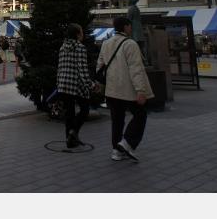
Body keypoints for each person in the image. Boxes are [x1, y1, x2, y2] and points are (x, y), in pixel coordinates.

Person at [98, 16, 154, 163]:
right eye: (130, 26)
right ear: (126, 27)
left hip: (112, 89)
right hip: (128, 89)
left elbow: (100, 66)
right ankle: (127, 142)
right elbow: (136, 69)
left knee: (117, 120)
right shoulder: (130, 44)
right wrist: (141, 90)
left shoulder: (106, 43)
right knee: (140, 115)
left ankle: (116, 151)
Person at [56, 23, 96, 149]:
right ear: (77, 34)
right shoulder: (80, 47)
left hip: (63, 84)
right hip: (75, 85)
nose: (83, 34)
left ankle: (70, 141)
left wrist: (58, 83)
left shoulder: (63, 47)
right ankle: (74, 132)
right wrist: (91, 84)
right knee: (84, 110)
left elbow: (60, 67)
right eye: (81, 32)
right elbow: (82, 69)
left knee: (69, 114)